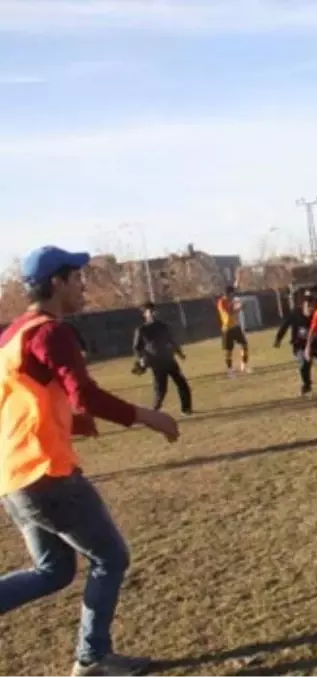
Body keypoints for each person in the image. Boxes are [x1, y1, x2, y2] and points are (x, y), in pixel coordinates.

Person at [0, 246, 180, 677]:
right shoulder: (52, 333)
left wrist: (72, 424)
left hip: (14, 477)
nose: (84, 286)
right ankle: (93, 657)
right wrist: (148, 416)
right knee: (110, 558)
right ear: (57, 282)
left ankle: (92, 656)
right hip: (47, 476)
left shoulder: (13, 335)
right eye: (78, 277)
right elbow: (85, 394)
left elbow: (23, 399)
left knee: (54, 571)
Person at [275, 293, 317, 396]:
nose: (310, 309)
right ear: (303, 306)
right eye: (308, 306)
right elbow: (285, 325)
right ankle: (306, 386)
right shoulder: (295, 314)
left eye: (312, 306)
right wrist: (278, 339)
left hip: (315, 345)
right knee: (304, 362)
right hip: (300, 346)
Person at [132, 302, 192, 415]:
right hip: (156, 362)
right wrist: (141, 359)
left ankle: (186, 409)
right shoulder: (141, 330)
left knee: (182, 384)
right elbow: (136, 347)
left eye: (154, 311)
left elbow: (171, 341)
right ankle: (155, 410)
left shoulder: (163, 326)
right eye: (150, 311)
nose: (153, 313)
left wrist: (179, 353)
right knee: (161, 389)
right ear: (145, 314)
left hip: (169, 359)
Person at [216, 286, 250, 375]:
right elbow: (229, 313)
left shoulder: (232, 301)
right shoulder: (221, 302)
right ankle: (230, 370)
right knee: (228, 351)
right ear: (228, 293)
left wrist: (239, 307)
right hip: (227, 329)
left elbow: (234, 311)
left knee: (244, 346)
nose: (233, 295)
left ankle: (244, 366)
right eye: (232, 294)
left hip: (235, 326)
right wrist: (239, 308)